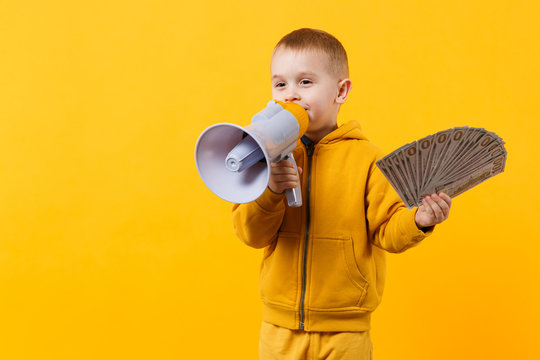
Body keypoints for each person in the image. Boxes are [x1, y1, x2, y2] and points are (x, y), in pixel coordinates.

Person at [232, 28, 452, 360]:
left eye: (305, 82)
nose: (290, 95)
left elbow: (387, 232)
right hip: (279, 329)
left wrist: (417, 220)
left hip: (345, 330)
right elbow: (251, 233)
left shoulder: (368, 160)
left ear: (341, 90)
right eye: (281, 84)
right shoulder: (264, 157)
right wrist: (272, 190)